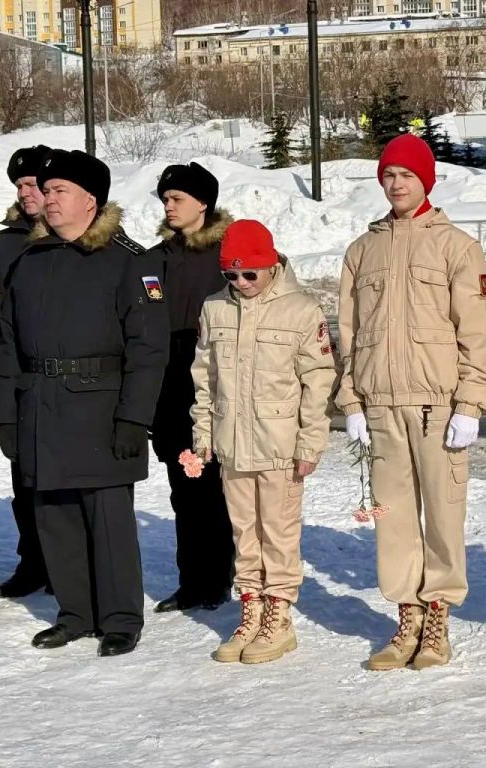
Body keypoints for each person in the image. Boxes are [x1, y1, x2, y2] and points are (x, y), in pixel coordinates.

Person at [0, 149, 169, 656]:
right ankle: (75, 613)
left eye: (58, 191)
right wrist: (5, 413)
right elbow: (7, 343)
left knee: (106, 519)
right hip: (40, 406)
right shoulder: (30, 260)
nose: (46, 200)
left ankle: (119, 618)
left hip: (100, 409)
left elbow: (149, 350)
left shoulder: (128, 261)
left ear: (91, 200)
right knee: (55, 515)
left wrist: (135, 417)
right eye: (44, 192)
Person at [336, 133, 486, 671]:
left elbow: (475, 332)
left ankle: (437, 617)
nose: (396, 183)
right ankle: (406, 616)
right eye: (388, 175)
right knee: (393, 516)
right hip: (380, 404)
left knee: (444, 515)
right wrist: (351, 400)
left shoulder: (456, 247)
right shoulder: (363, 250)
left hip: (439, 407)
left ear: (426, 180)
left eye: (406, 175)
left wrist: (471, 403)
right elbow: (350, 330)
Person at [190, 220, 336, 664]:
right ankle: (250, 609)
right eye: (231, 276)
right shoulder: (214, 308)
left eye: (250, 274)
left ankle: (279, 618)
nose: (241, 283)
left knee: (278, 532)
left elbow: (318, 380)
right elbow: (203, 379)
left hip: (280, 446)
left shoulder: (301, 310)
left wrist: (310, 443)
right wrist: (204, 432)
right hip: (233, 442)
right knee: (244, 533)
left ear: (271, 266)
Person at [148, 162, 235, 613]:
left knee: (214, 488)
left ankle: (219, 577)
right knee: (183, 488)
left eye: (177, 197)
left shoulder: (228, 256)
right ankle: (191, 580)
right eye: (165, 198)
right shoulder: (156, 257)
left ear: (203, 202)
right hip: (168, 384)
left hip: (215, 383)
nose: (169, 205)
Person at [0, 145, 51, 599]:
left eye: (32, 184)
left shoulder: (80, 237)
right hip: (13, 380)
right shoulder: (5, 244)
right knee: (21, 479)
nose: (24, 193)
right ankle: (33, 563)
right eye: (19, 186)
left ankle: (71, 565)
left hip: (63, 379)